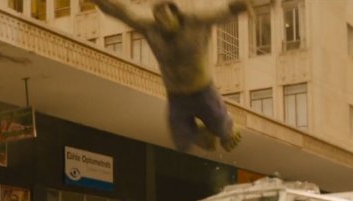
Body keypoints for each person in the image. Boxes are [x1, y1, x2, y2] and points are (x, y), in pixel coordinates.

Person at [91, 0, 250, 152]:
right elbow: (121, 12)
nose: (164, 24)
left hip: (203, 92)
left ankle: (226, 126)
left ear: (176, 15)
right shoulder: (149, 28)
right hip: (176, 98)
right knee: (181, 143)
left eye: (167, 18)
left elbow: (221, 12)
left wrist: (238, 6)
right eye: (159, 19)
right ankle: (204, 135)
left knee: (223, 131)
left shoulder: (194, 22)